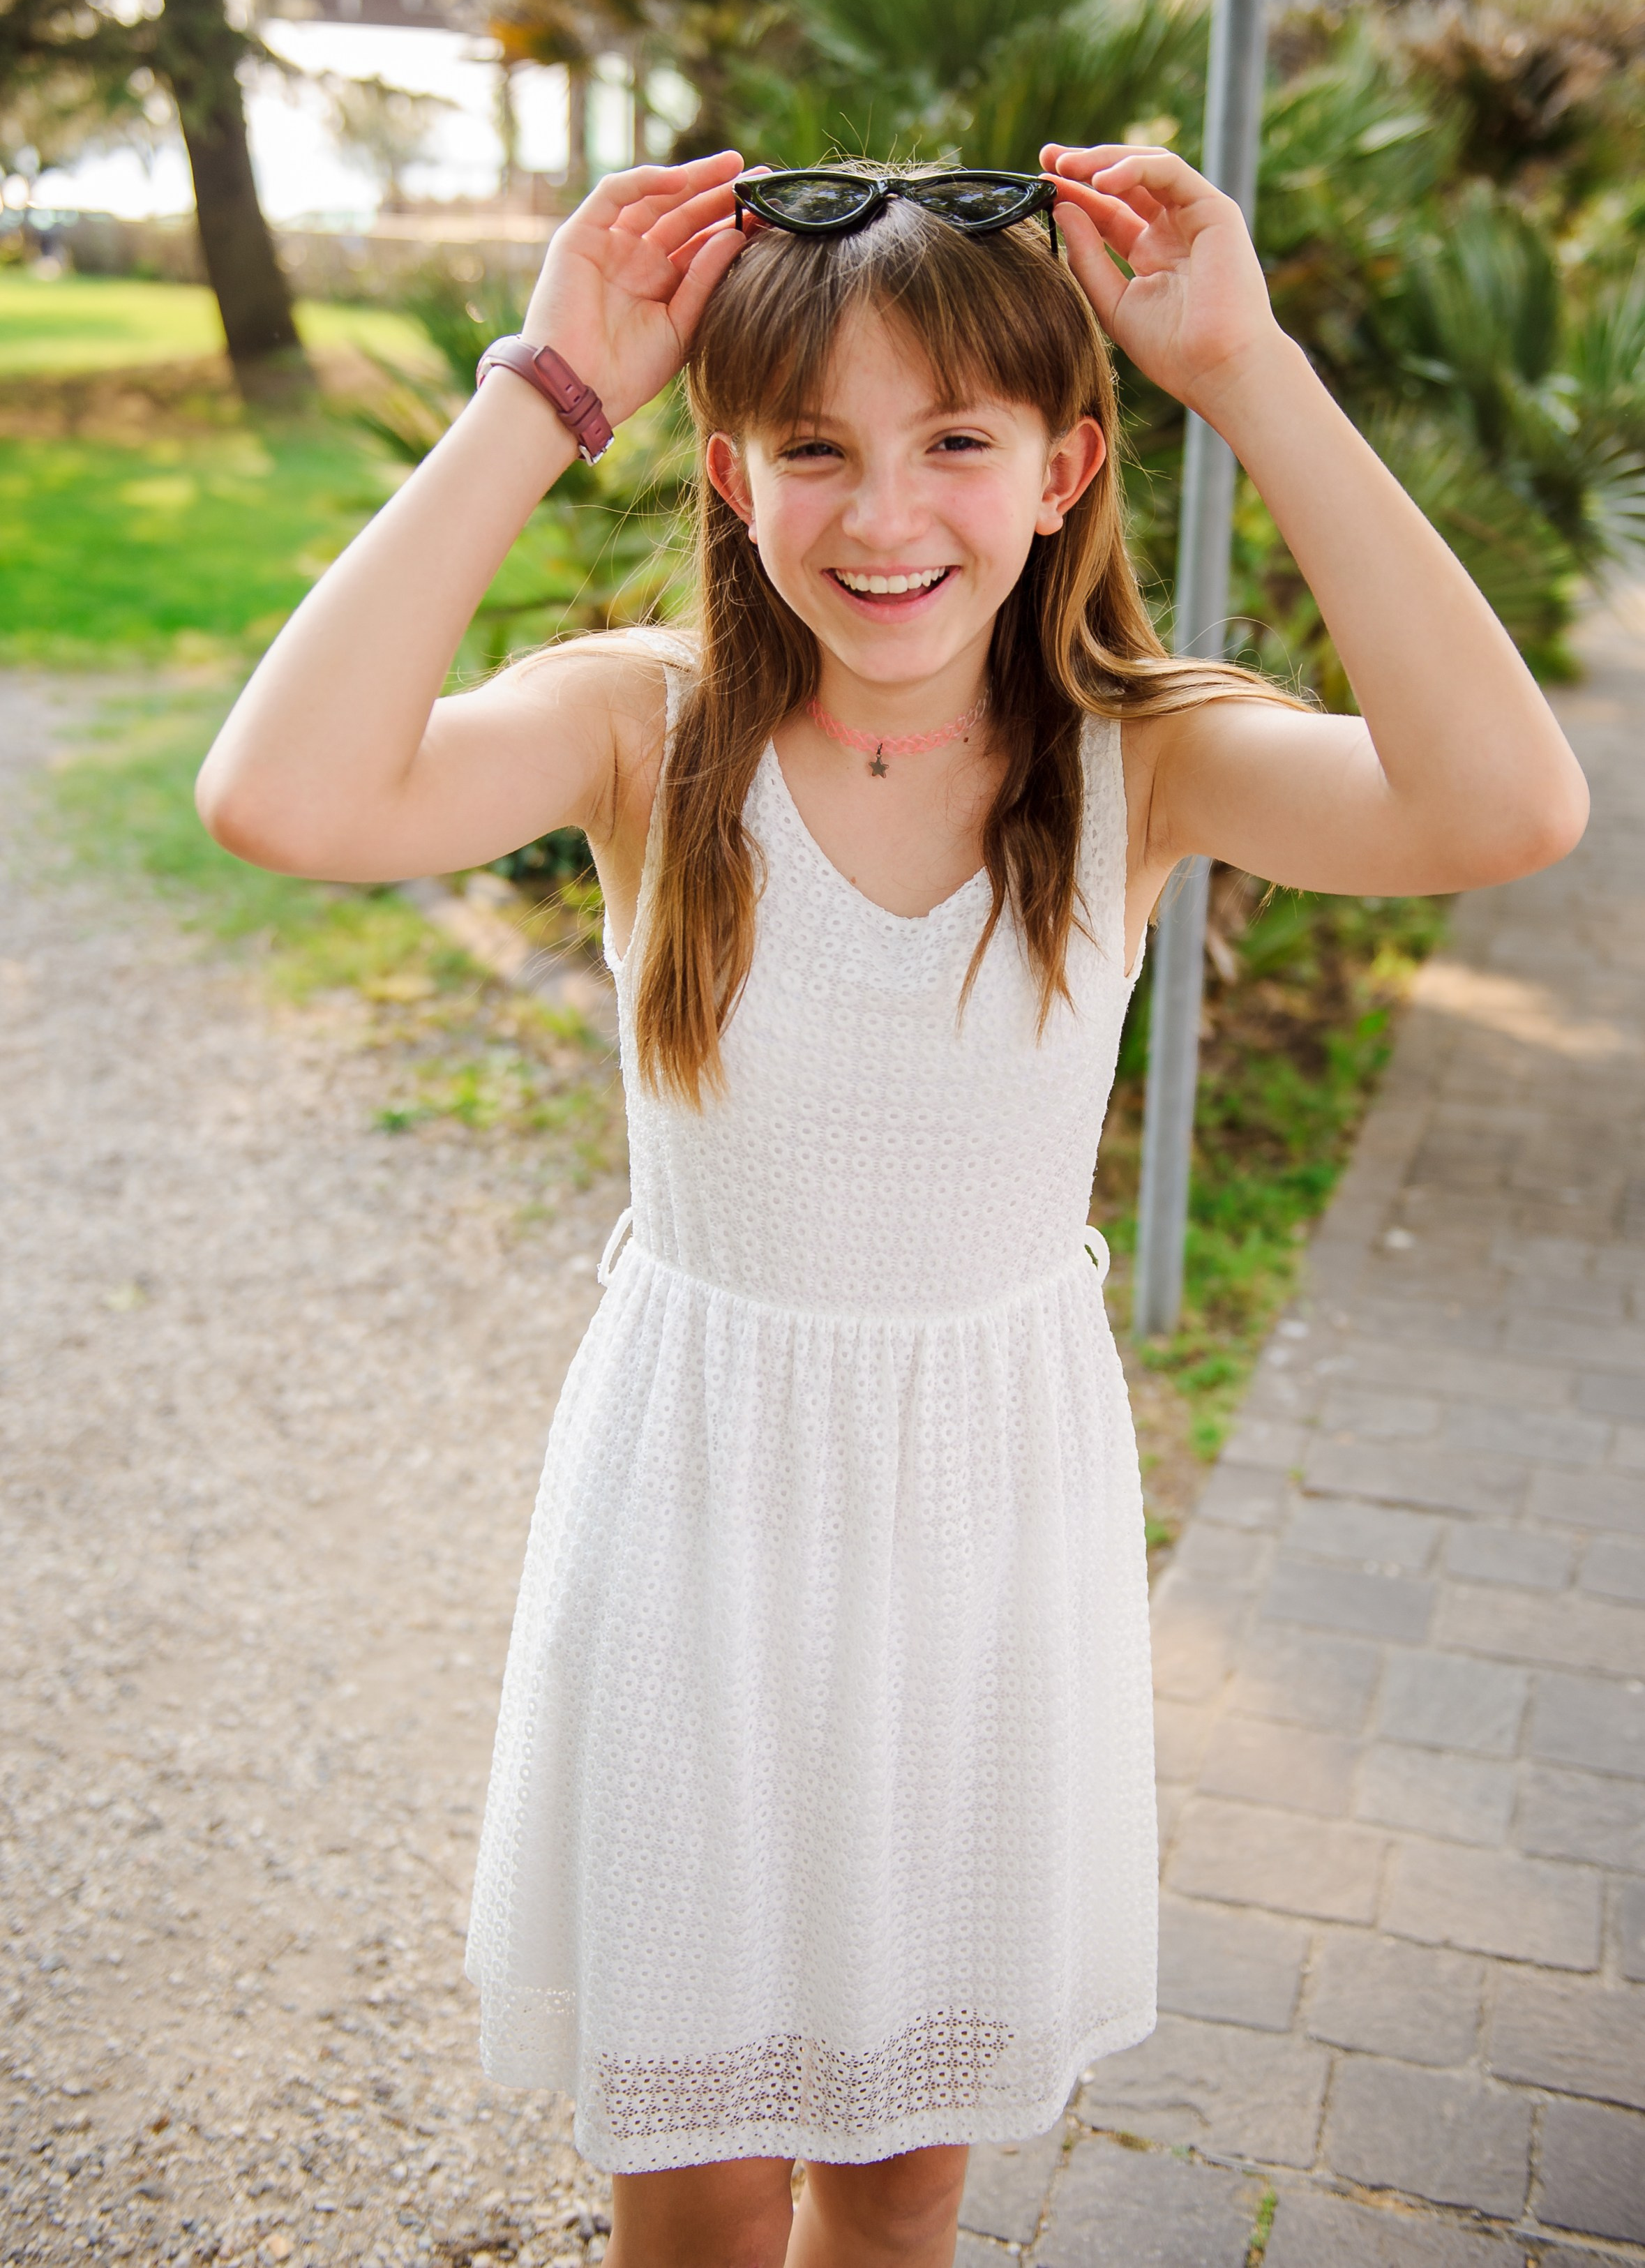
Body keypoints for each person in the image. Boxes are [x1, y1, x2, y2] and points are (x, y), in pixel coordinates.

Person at [195, 145, 1587, 2267]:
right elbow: (279, 796)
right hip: (702, 1531)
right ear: (733, 477)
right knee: (702, 2182)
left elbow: (1509, 803)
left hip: (984, 1551)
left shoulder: (1138, 758)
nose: (884, 512)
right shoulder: (645, 729)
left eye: (956, 440)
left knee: (904, 2178)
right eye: (814, 449)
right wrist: (541, 389)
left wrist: (1260, 373)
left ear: (1064, 467)